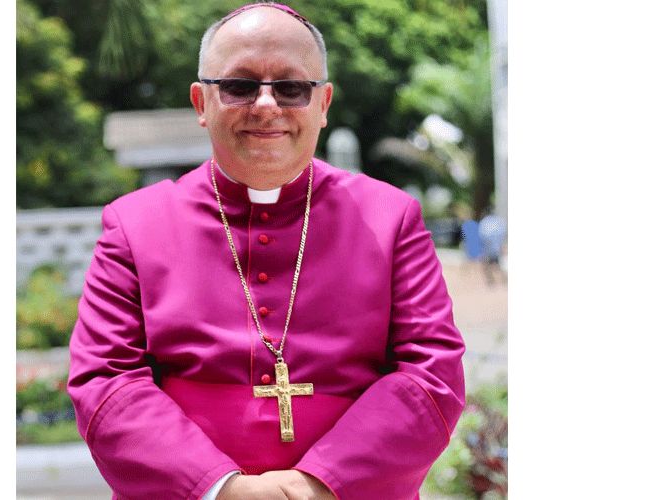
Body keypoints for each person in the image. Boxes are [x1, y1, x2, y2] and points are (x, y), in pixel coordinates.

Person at [67, 3, 465, 499]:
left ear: (323, 103)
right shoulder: (134, 224)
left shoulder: (390, 218)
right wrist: (222, 489)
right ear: (201, 102)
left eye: (292, 88)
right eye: (239, 85)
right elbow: (106, 381)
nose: (265, 105)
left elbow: (432, 374)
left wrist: (318, 484)